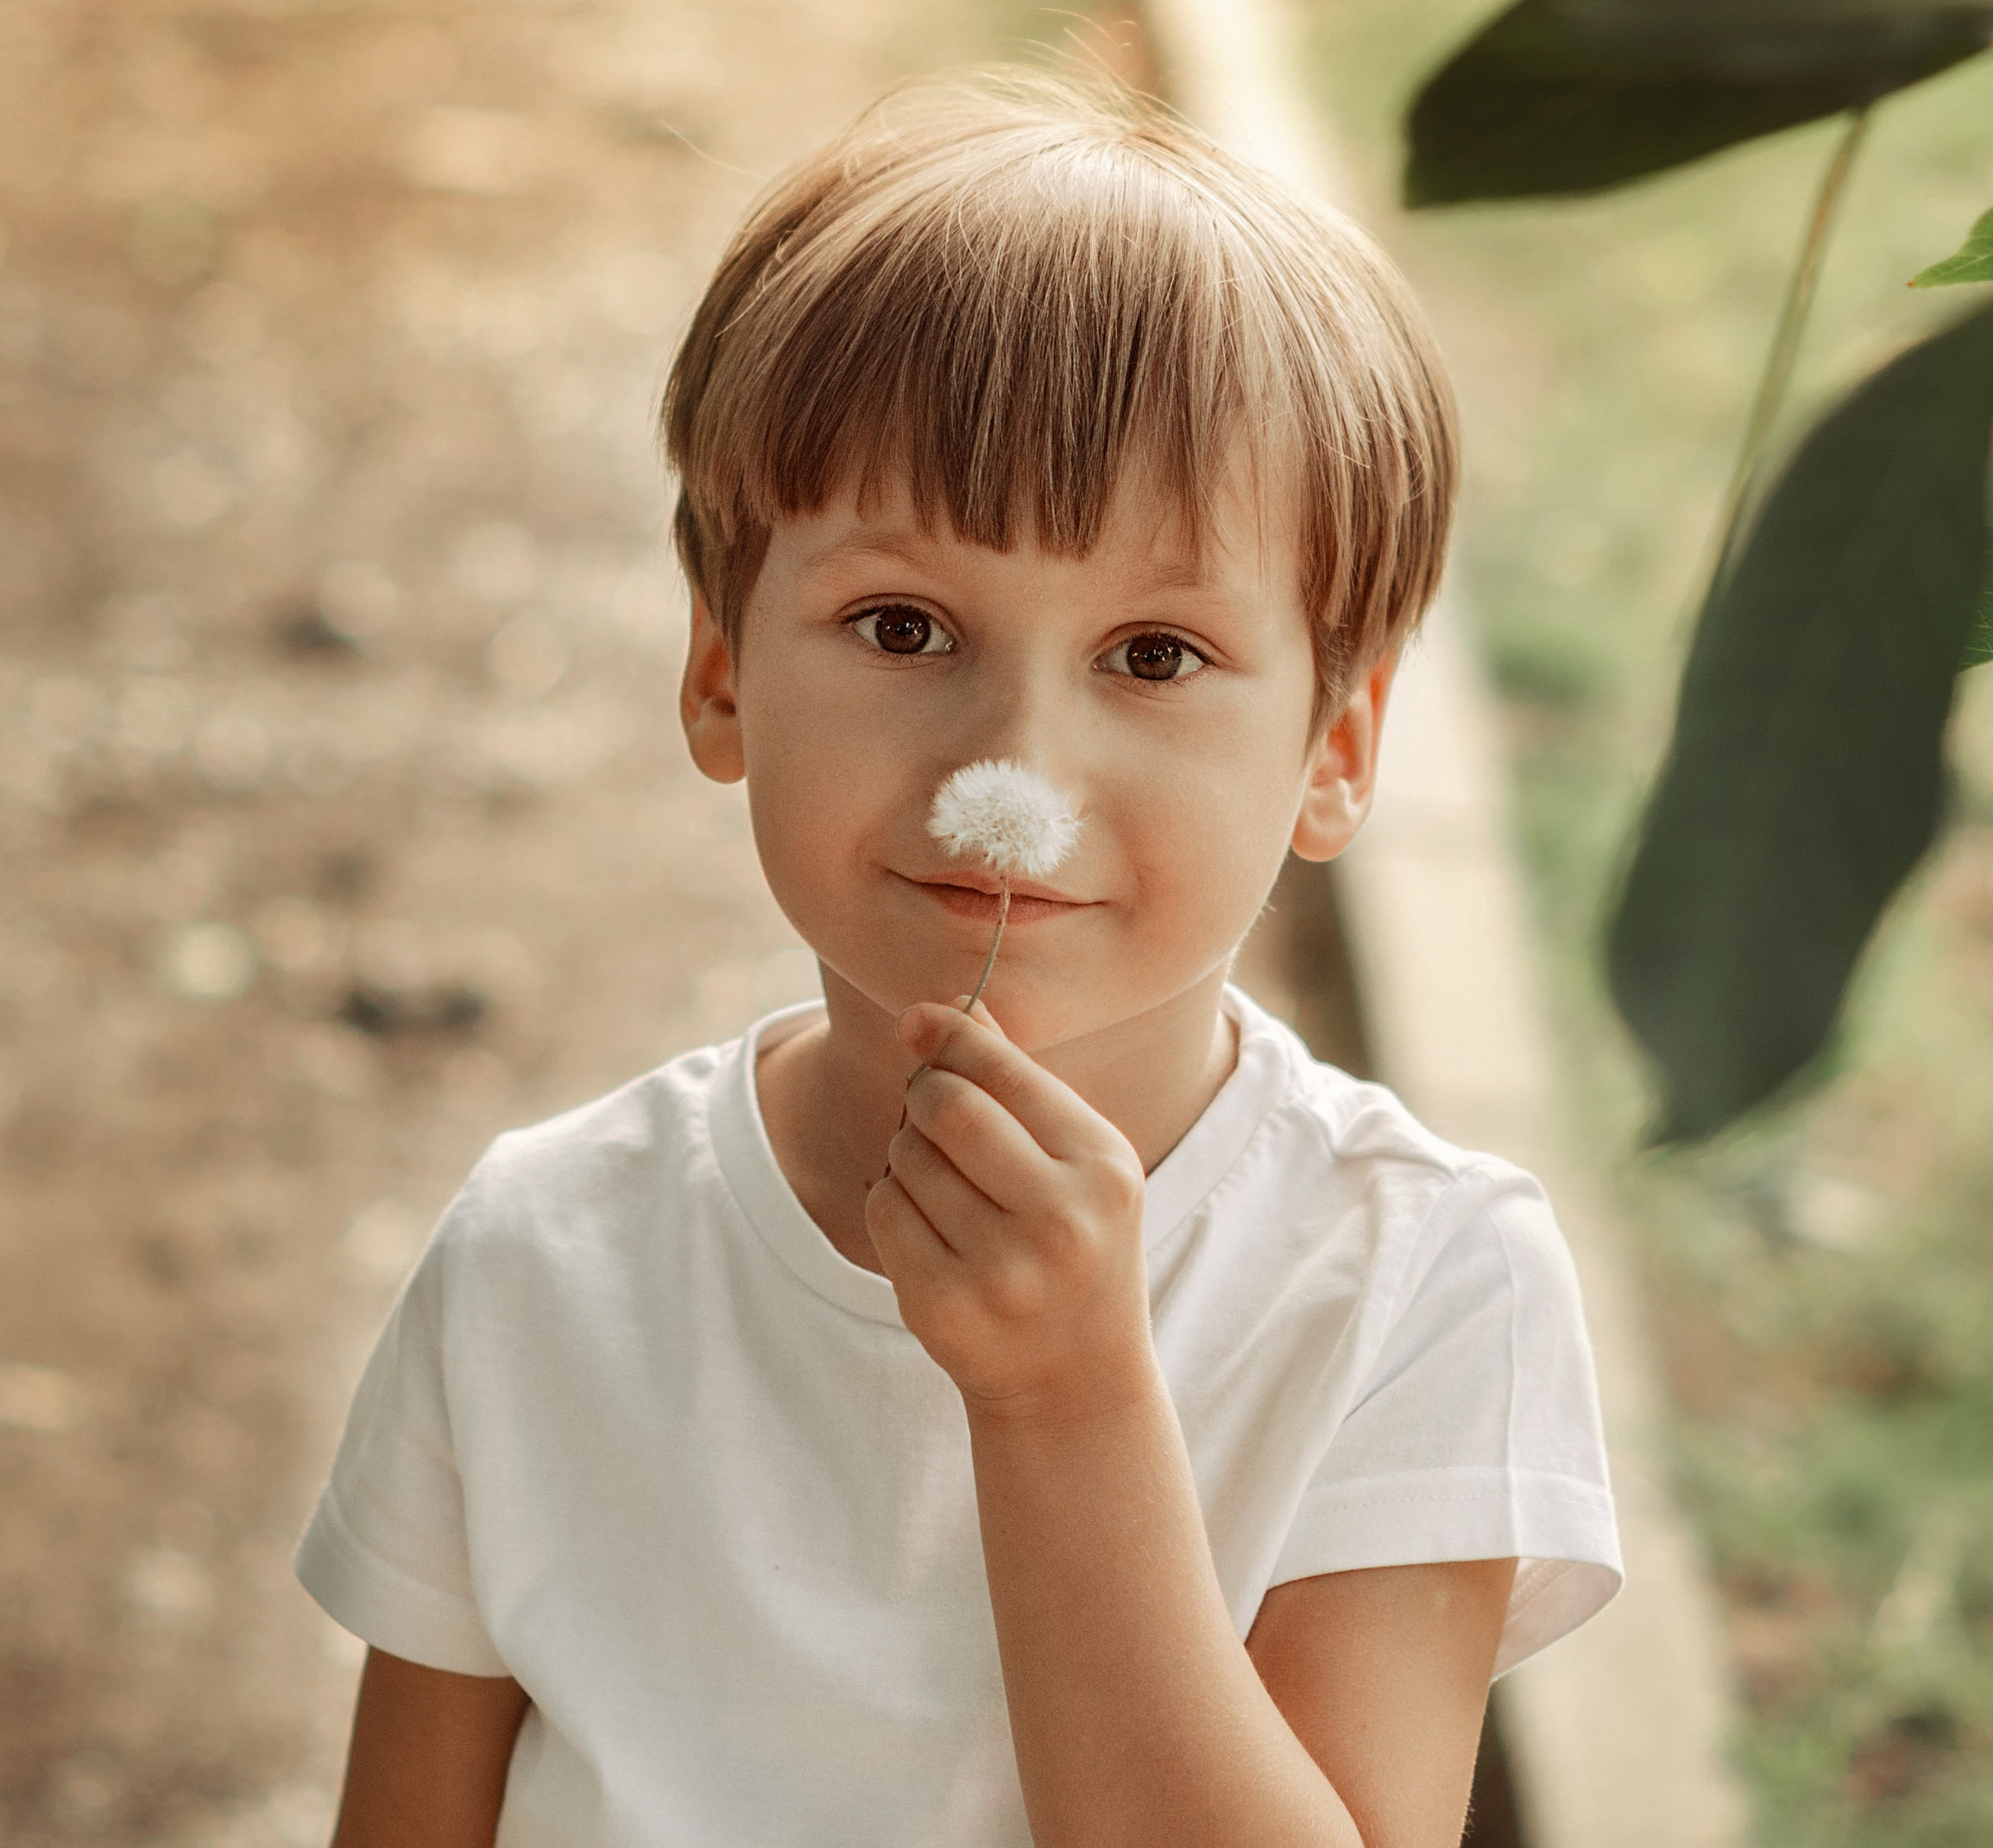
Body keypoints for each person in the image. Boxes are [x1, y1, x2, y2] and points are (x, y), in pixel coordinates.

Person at [297, 74, 1622, 1848]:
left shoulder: (1413, 1285)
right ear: (717, 672)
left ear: (1334, 749)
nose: (1012, 764)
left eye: (1152, 655)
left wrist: (1066, 1400)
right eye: (901, 626)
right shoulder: (544, 1258)